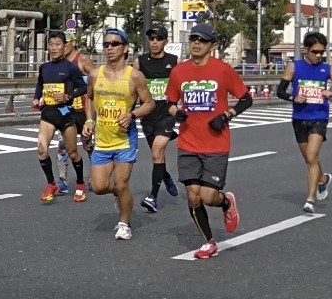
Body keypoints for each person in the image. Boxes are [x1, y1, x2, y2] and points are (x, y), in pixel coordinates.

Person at [163, 21, 253, 260]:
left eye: (202, 40)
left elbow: (246, 99)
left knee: (208, 196)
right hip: (188, 142)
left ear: (212, 45)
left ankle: (225, 203)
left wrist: (227, 115)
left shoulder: (222, 70)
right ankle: (209, 242)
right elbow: (170, 102)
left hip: (216, 143)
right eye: (193, 39)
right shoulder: (178, 72)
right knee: (193, 195)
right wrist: (176, 113)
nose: (196, 44)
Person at [86, 27, 155, 240]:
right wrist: (89, 120)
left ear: (125, 48)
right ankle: (120, 195)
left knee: (122, 183)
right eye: (106, 44)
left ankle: (124, 224)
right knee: (98, 187)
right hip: (103, 139)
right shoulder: (95, 74)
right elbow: (88, 98)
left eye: (114, 44)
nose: (109, 48)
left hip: (125, 139)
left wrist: (132, 115)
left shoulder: (134, 76)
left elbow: (149, 103)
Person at [278, 32, 332, 214]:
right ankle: (323, 179)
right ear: (306, 50)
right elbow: (279, 91)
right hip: (300, 117)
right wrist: (294, 97)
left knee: (311, 156)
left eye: (321, 52)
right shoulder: (294, 67)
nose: (318, 56)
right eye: (315, 52)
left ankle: (310, 199)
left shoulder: (328, 69)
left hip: (319, 116)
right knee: (309, 159)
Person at [32, 29, 89, 202]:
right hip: (48, 113)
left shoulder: (71, 68)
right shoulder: (44, 68)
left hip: (66, 115)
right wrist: (36, 98)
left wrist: (68, 96)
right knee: (41, 150)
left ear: (64, 46)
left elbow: (84, 87)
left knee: (72, 153)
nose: (54, 48)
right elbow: (40, 85)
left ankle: (80, 183)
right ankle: (51, 184)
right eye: (51, 44)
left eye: (57, 45)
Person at [135, 25, 182, 214]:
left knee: (157, 151)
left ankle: (152, 196)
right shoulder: (140, 62)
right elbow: (133, 88)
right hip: (148, 116)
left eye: (158, 38)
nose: (154, 42)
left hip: (167, 114)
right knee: (157, 157)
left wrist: (181, 108)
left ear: (165, 41)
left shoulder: (174, 61)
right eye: (152, 38)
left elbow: (182, 85)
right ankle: (167, 178)